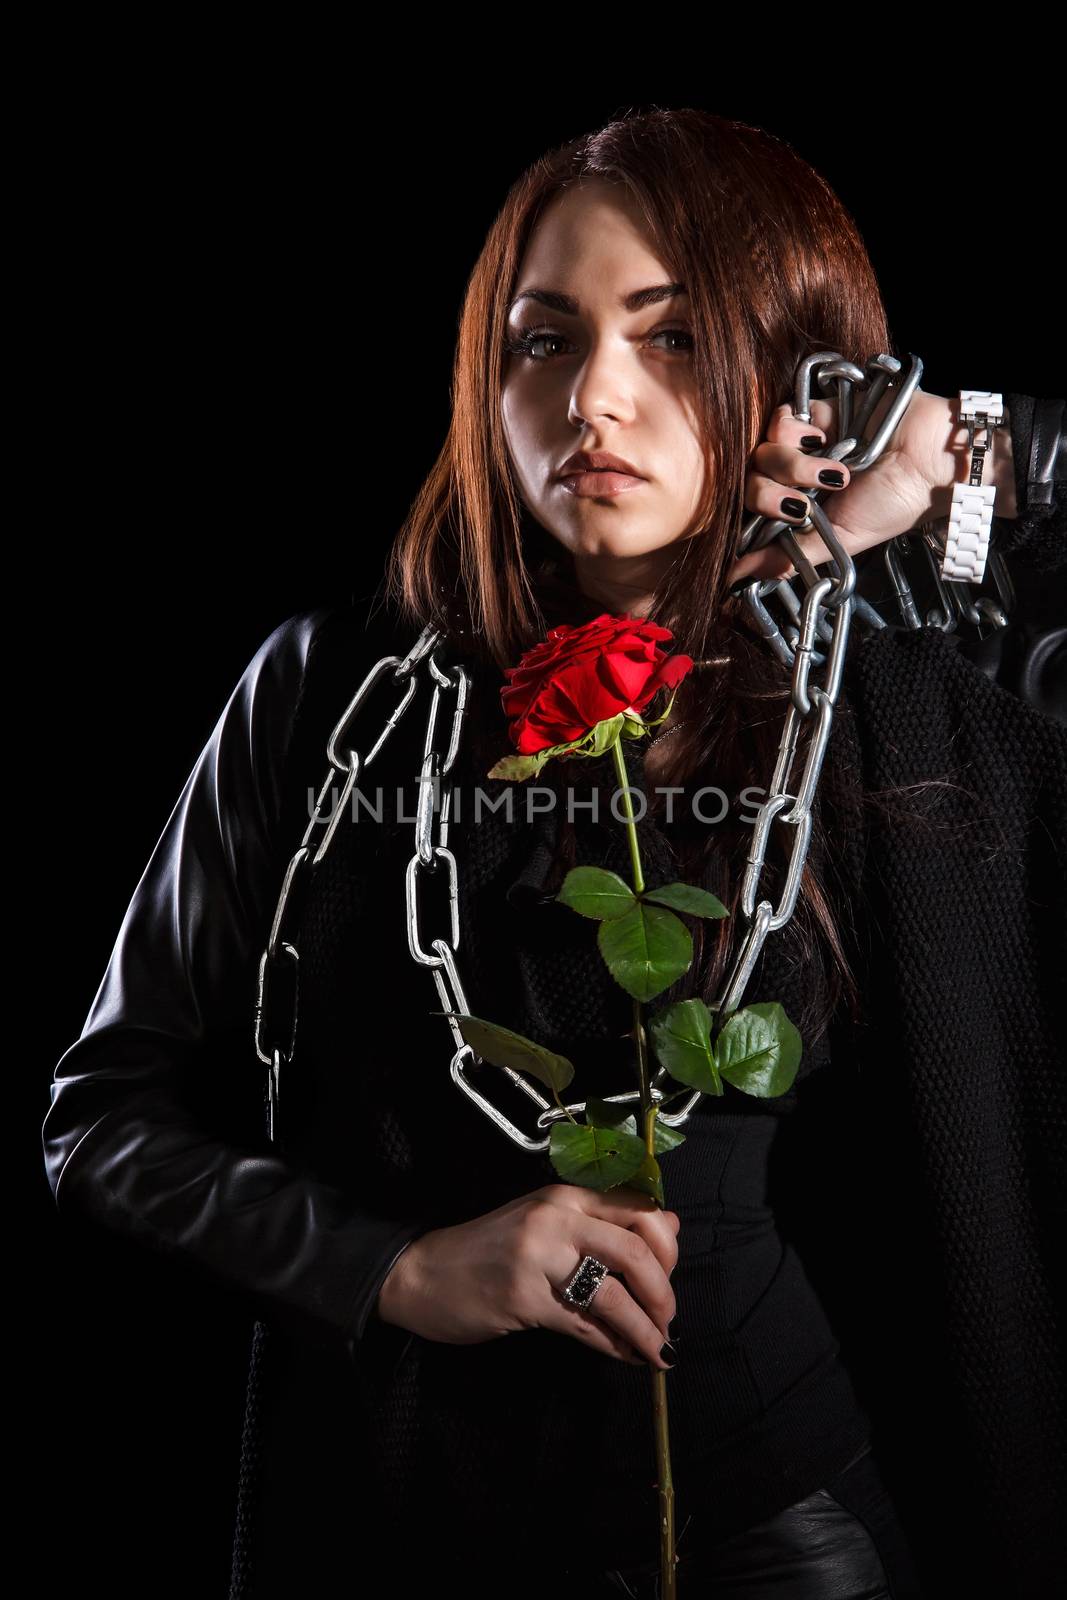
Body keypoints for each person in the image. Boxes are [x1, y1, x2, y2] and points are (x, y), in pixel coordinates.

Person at [42, 108, 1065, 1599]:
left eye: (675, 340)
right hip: (402, 1520)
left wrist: (960, 447)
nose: (597, 397)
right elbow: (101, 1119)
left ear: (800, 381)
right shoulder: (332, 698)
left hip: (781, 1526)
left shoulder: (890, 693)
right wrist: (397, 1268)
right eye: (544, 340)